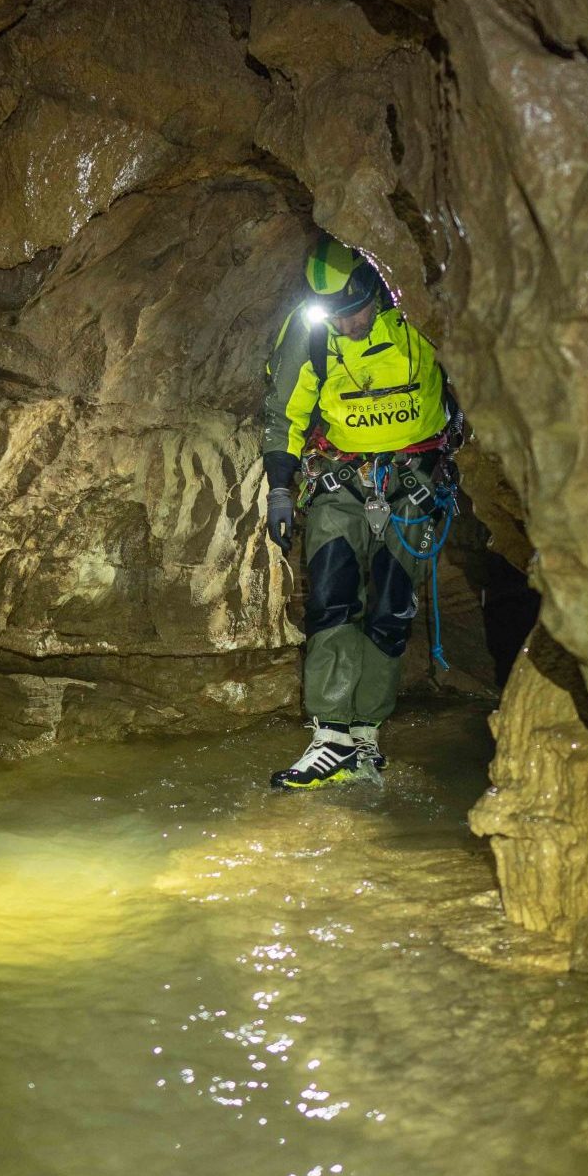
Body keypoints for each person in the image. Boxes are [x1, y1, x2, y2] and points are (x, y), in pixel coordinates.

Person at [261, 237, 463, 789]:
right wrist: (281, 489)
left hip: (412, 487)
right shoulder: (309, 333)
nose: (347, 327)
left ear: (380, 292)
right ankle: (330, 738)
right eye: (338, 317)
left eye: (355, 313)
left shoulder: (418, 322)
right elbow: (284, 414)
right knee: (331, 602)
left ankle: (366, 735)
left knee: (393, 610)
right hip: (340, 482)